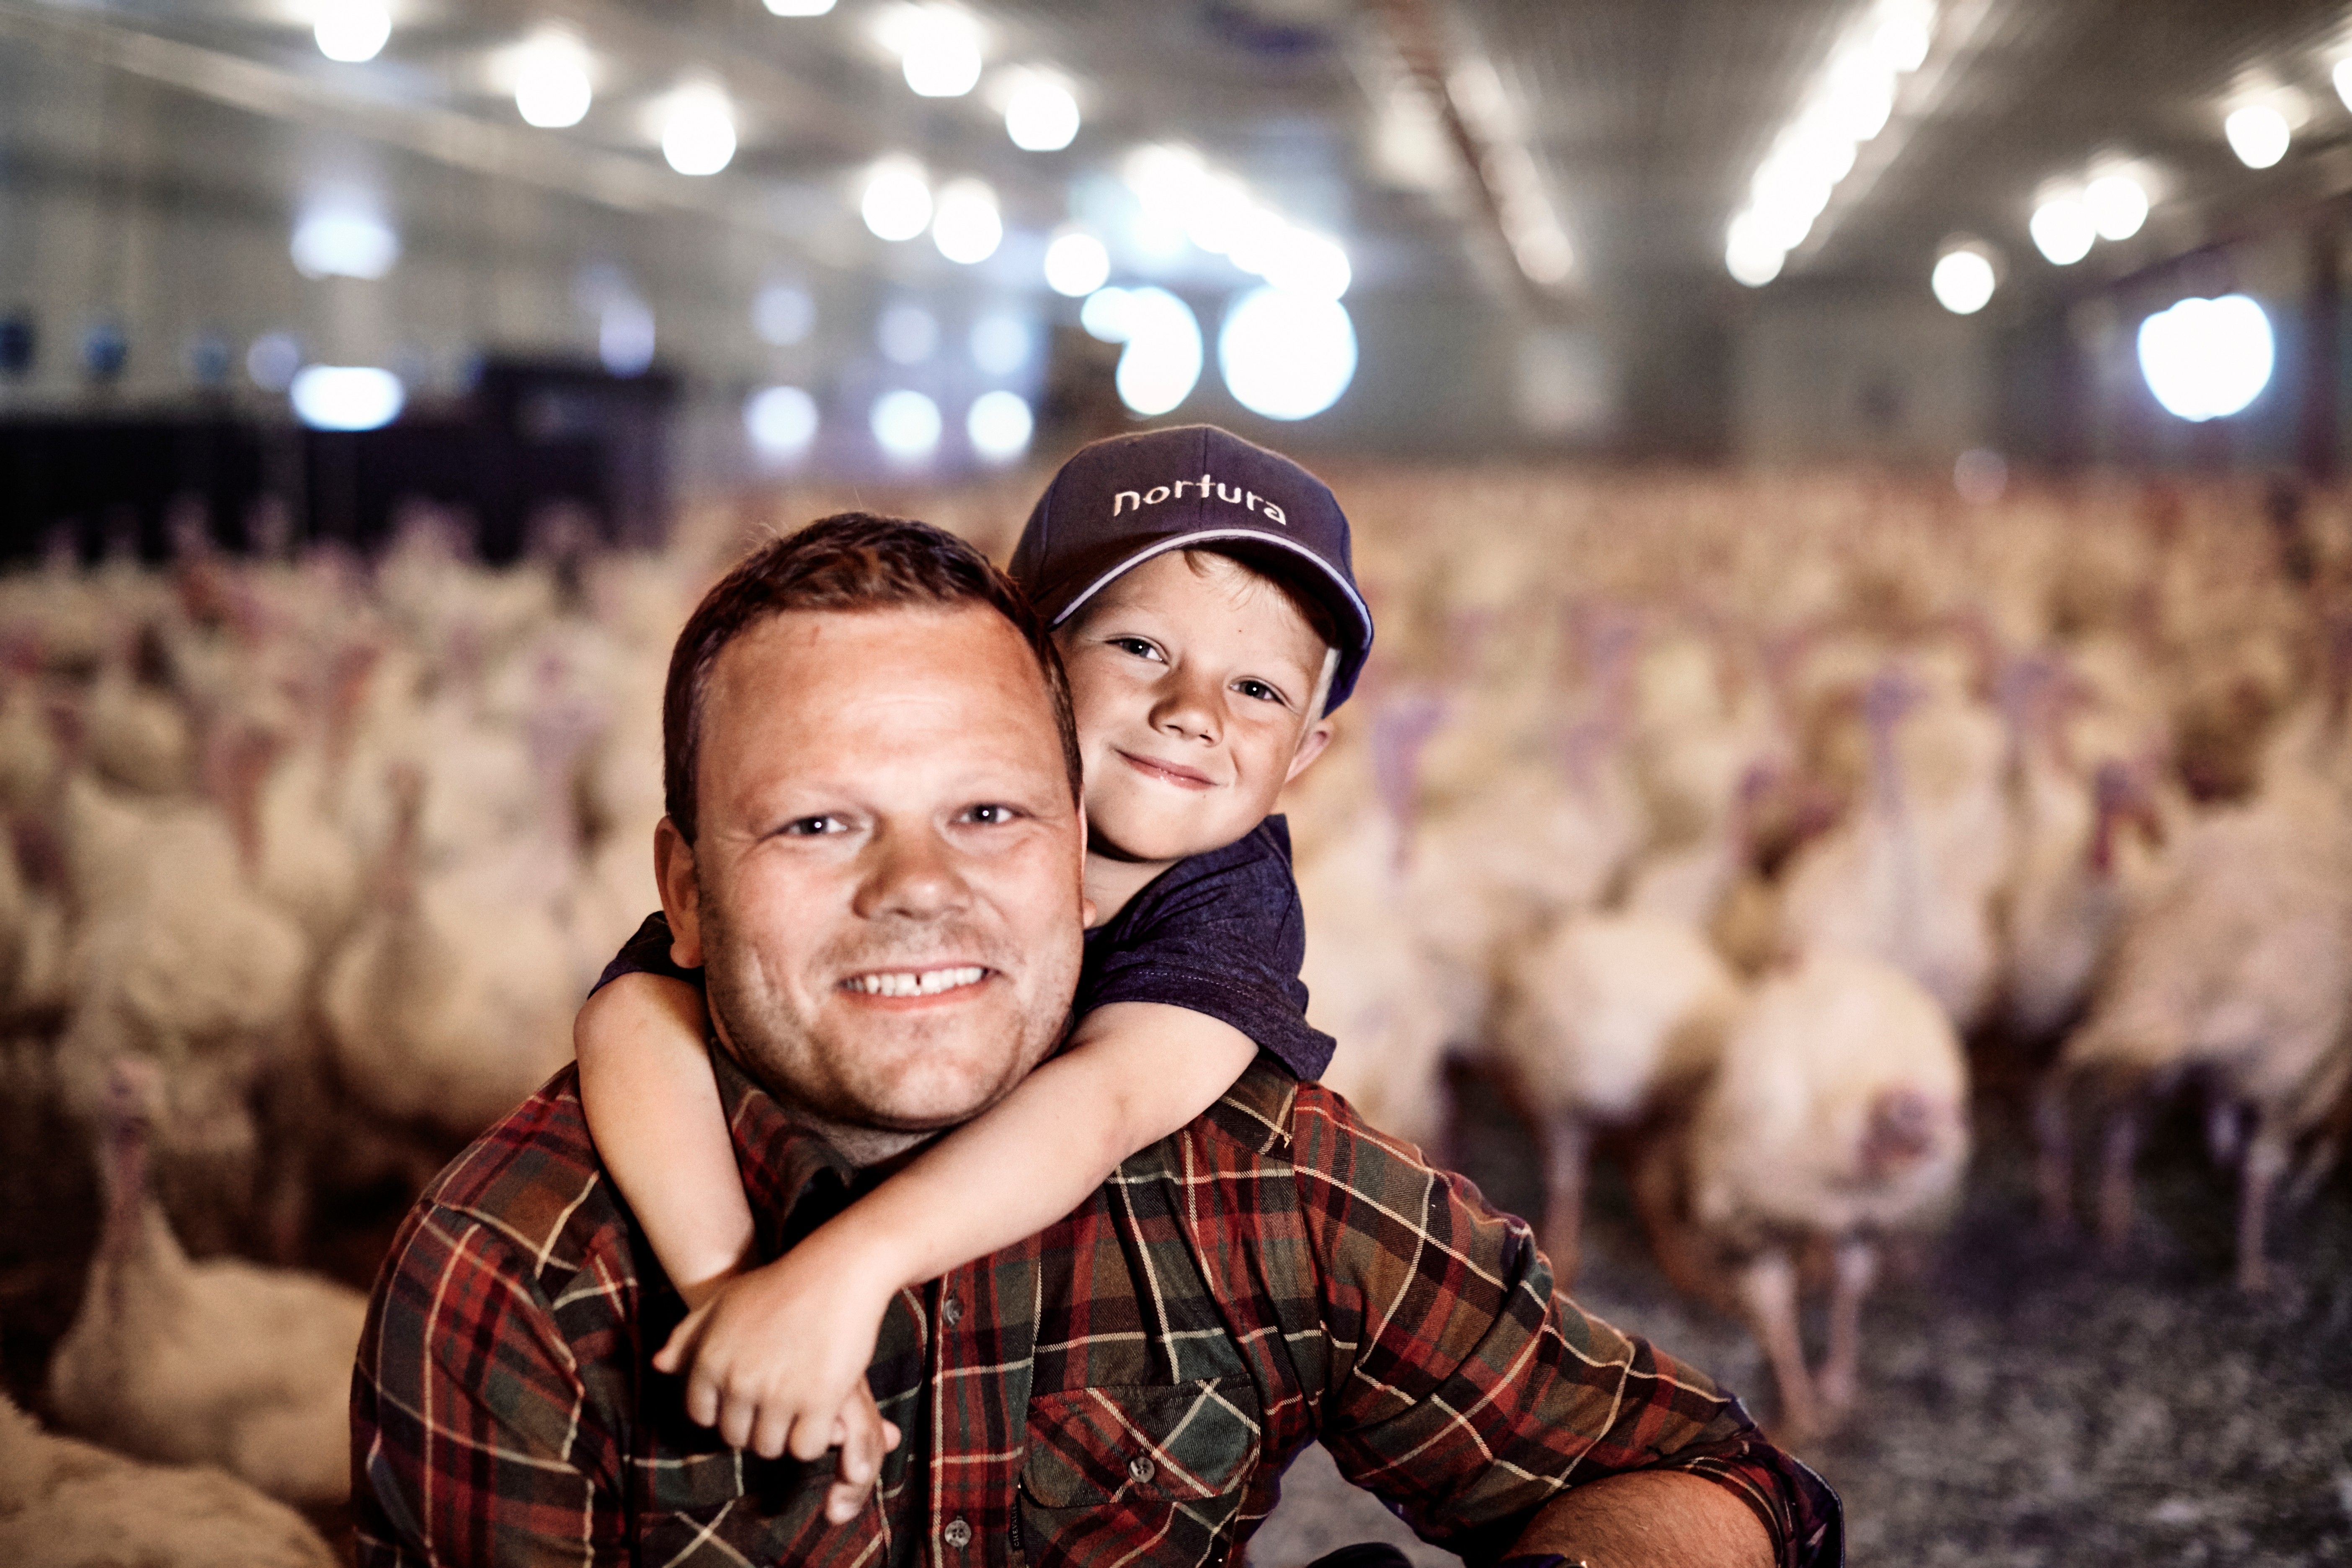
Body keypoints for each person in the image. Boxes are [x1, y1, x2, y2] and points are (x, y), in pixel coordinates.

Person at [351, 512, 1841, 1567]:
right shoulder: (520, 1274)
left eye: (986, 813)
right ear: (681, 887)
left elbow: (1712, 1477)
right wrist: (732, 1285)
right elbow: (626, 1013)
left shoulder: (1249, 1147)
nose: (918, 887)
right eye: (818, 824)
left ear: (1080, 843)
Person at [573, 426, 1369, 1491]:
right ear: (1027, 662)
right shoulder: (890, 796)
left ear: (1305, 757)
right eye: (1140, 649)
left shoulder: (1232, 902)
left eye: (1259, 692)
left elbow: (1101, 1104)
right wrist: (733, 1292)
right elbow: (633, 1013)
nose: (1191, 714)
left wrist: (848, 1271)